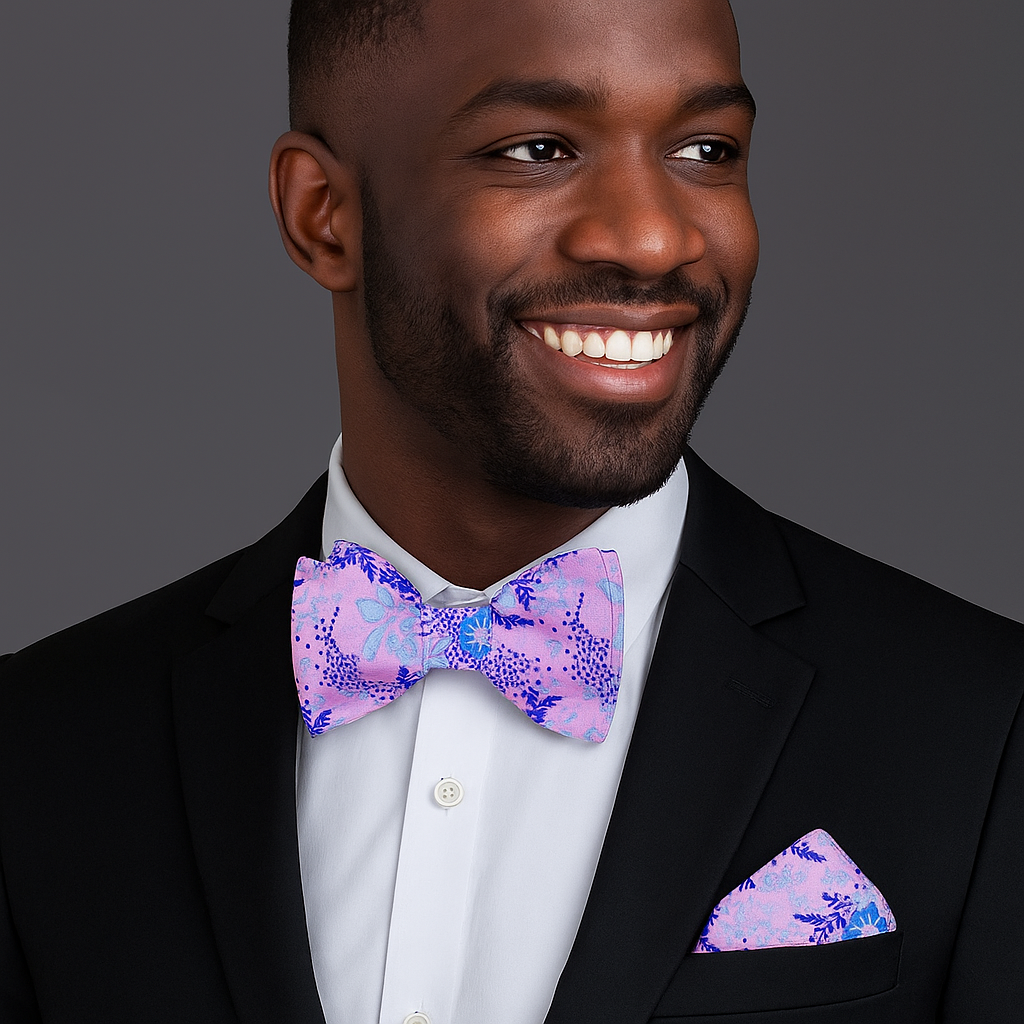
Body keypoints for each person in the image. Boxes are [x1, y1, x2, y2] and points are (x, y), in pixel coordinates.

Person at [1, 0, 1021, 1021]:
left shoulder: (984, 730)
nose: (653, 238)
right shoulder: (39, 748)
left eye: (705, 150)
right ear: (323, 213)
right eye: (538, 149)